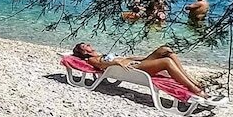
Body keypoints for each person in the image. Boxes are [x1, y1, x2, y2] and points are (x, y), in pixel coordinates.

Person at [71, 42, 217, 99]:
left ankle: (192, 80)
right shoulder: (91, 59)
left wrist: (142, 57)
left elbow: (125, 58)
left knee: (166, 50)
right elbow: (102, 66)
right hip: (134, 69)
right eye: (85, 46)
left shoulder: (100, 54)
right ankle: (195, 89)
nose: (89, 45)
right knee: (166, 62)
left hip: (136, 63)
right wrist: (116, 61)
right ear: (84, 52)